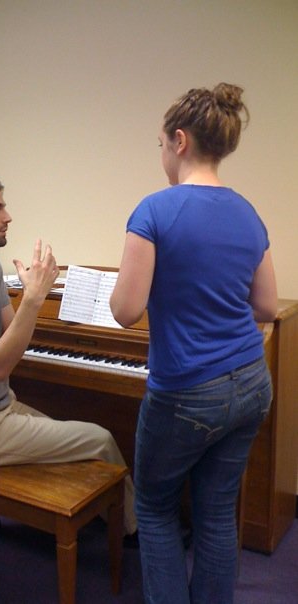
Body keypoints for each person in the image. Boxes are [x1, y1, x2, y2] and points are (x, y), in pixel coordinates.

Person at [109, 83, 277, 603]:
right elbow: (267, 308)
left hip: (186, 393)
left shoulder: (155, 211)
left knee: (157, 509)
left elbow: (124, 310)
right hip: (251, 383)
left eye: (160, 143)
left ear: (179, 141)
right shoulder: (248, 212)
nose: (161, 154)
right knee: (214, 514)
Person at [0, 172, 137, 540]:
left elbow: (7, 339)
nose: (8, 217)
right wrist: (31, 303)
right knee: (100, 440)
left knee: (79, 439)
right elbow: (2, 358)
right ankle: (133, 532)